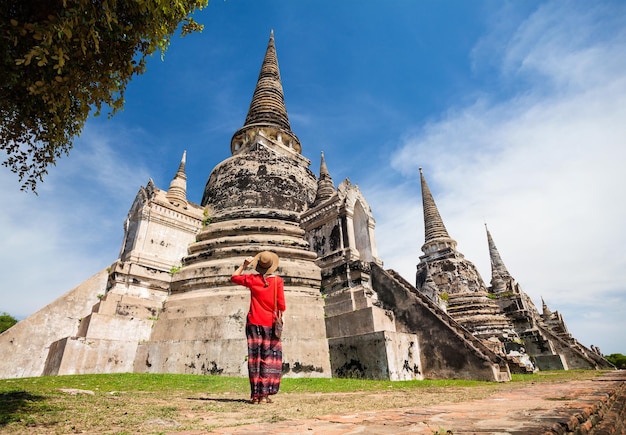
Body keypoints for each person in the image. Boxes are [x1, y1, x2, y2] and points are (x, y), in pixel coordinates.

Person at [231, 251, 286, 404]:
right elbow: (281, 304)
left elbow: (234, 277)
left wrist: (244, 265)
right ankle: (265, 395)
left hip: (253, 322)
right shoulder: (278, 282)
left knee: (255, 358)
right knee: (269, 358)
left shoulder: (253, 279)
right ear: (272, 266)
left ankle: (256, 395)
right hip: (270, 323)